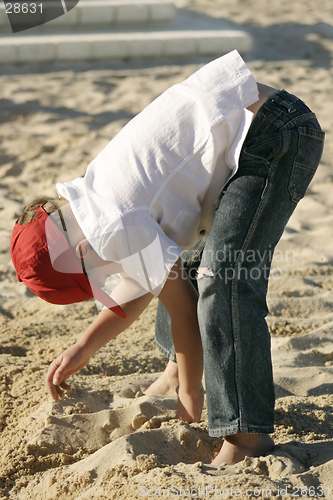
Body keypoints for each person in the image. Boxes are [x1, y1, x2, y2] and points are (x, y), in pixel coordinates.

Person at [10, 50, 325, 465]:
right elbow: (148, 279)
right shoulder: (91, 203)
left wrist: (190, 397)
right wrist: (84, 346)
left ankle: (247, 436)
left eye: (96, 275)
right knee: (186, 268)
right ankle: (178, 367)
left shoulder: (112, 225)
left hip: (274, 134)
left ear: (82, 254)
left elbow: (177, 306)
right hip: (256, 126)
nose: (107, 278)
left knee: (222, 278)